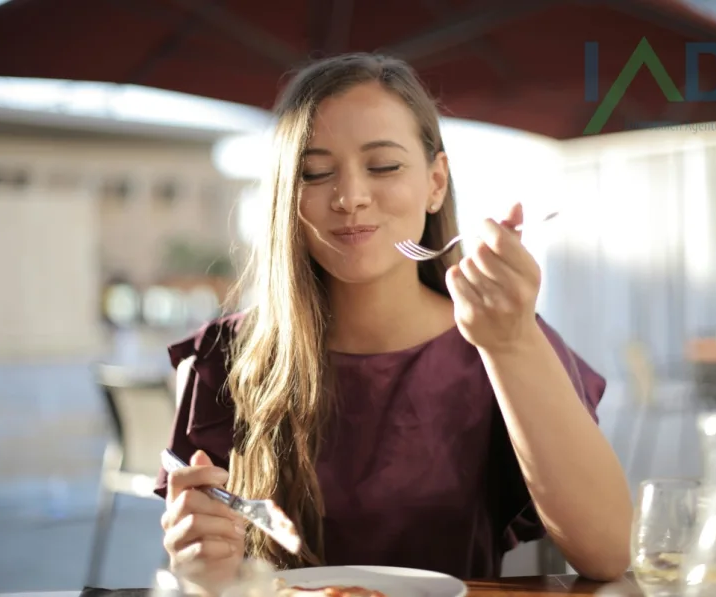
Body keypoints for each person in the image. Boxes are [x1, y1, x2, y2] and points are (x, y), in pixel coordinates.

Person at [155, 52, 631, 587]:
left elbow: (609, 554)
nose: (351, 197)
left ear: (435, 182)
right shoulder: (225, 357)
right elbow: (212, 573)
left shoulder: (502, 338)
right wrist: (198, 566)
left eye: (383, 166)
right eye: (315, 173)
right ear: (288, 198)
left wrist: (511, 343)